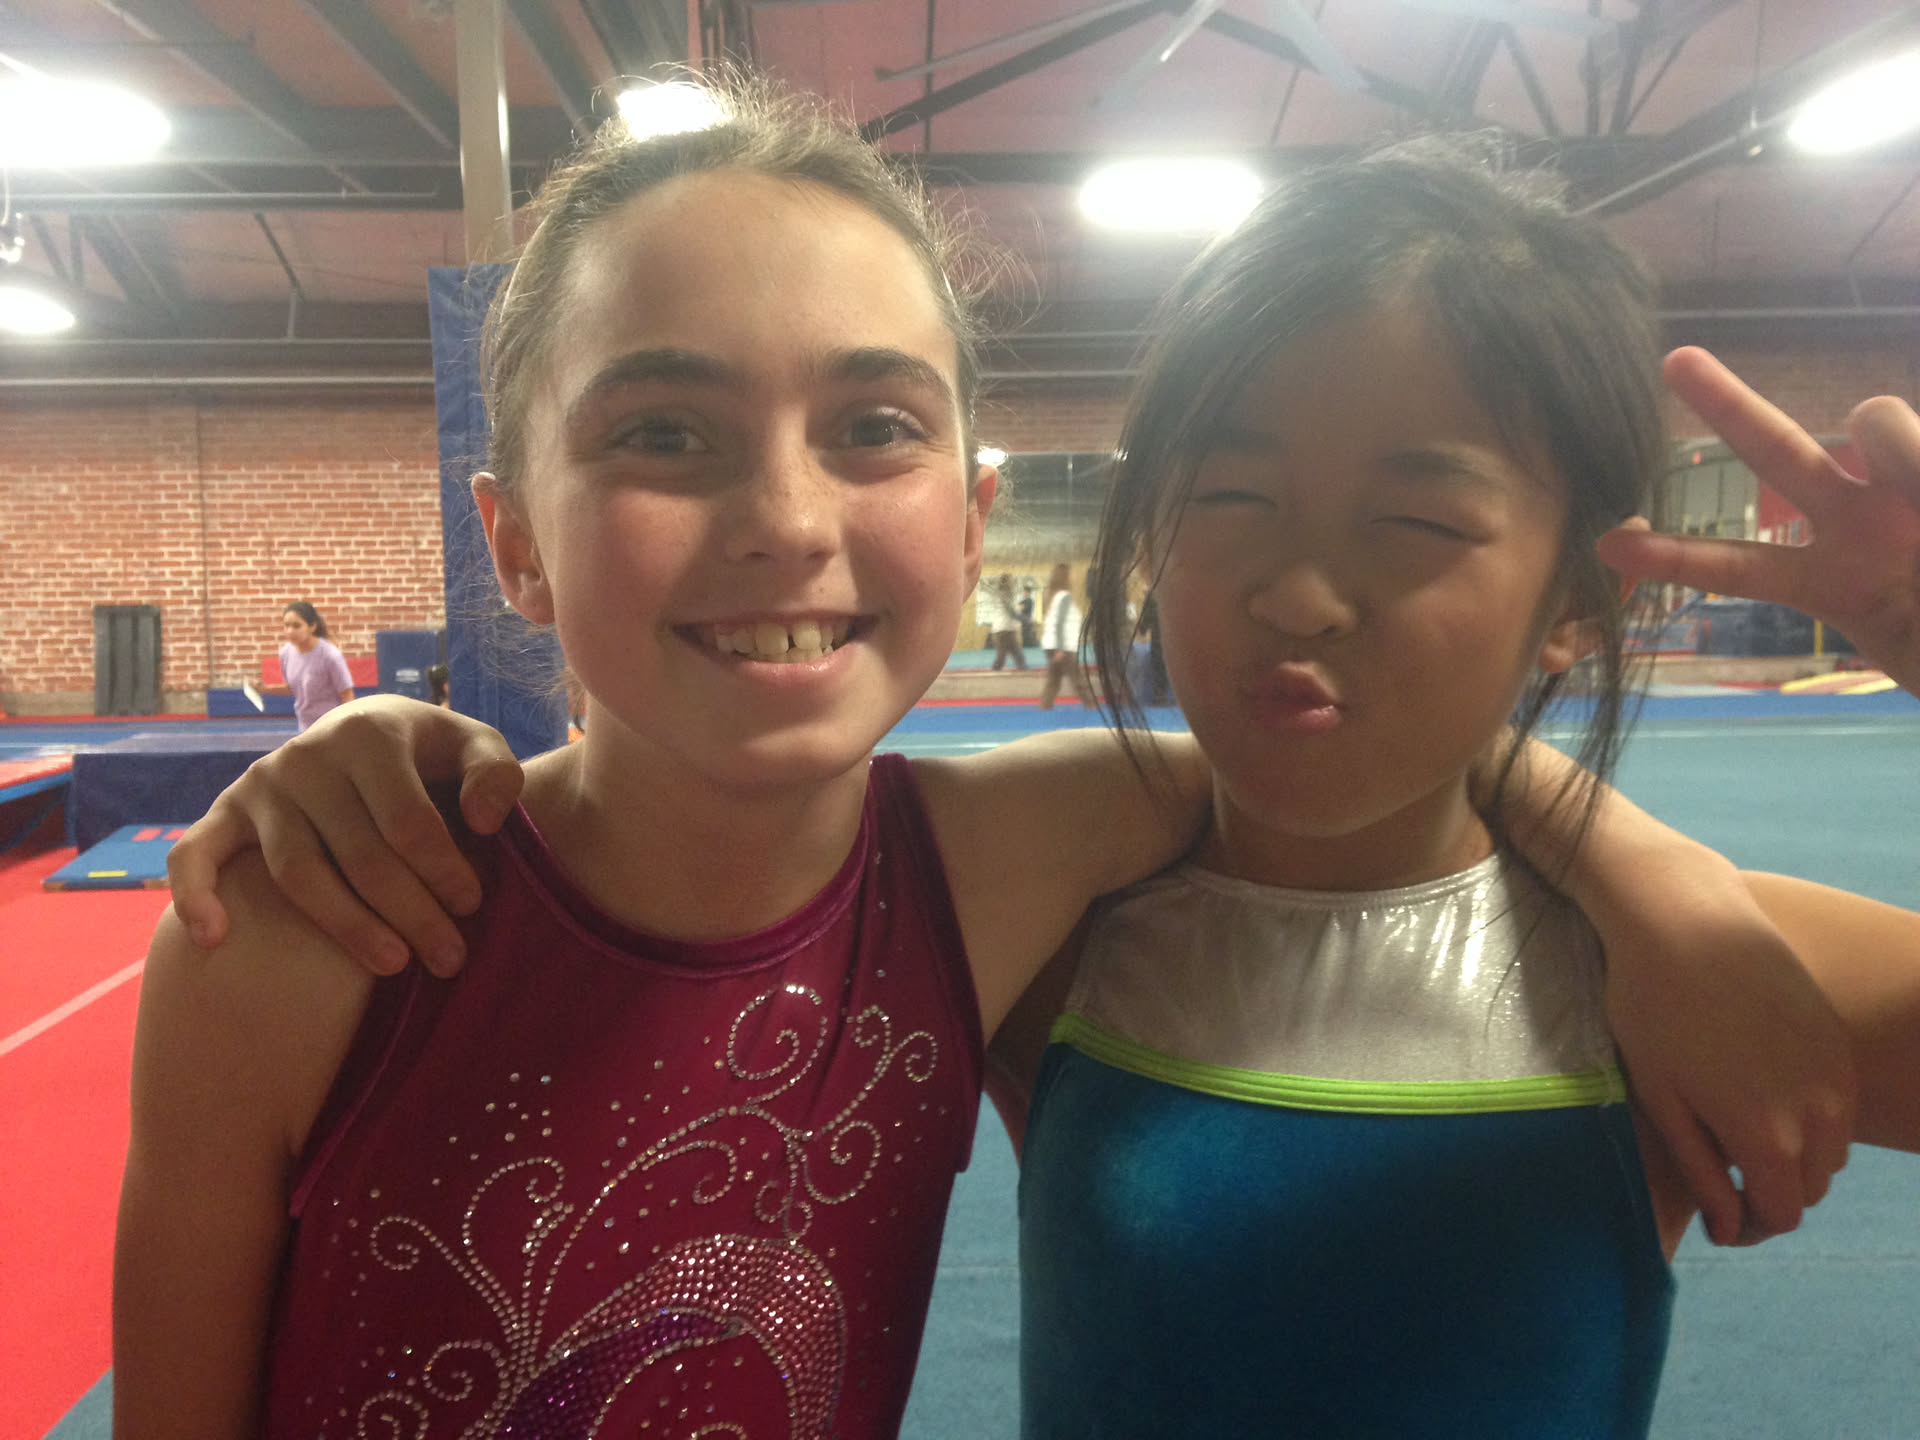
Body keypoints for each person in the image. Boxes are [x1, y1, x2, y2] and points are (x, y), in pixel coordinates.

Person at [132, 94, 1865, 1438]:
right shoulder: (310, 935)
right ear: (511, 540)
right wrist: (360, 735)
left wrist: (1662, 884)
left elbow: (1375, 775)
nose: (784, 516)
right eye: (665, 433)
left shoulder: (990, 864)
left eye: (872, 428)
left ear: (970, 524)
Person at [998, 137, 1920, 1437]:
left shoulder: (1701, 967)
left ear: (1578, 606)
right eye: (1233, 495)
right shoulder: (1038, 925)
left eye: (1420, 525)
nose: (1299, 595)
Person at [277, 600, 354, 732]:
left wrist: (347, 729)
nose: (290, 631)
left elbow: (347, 696)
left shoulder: (331, 656)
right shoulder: (285, 653)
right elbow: (292, 688)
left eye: (296, 626)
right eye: (286, 625)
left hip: (332, 728)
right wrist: (262, 688)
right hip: (305, 728)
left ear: (312, 627)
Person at [1037, 560, 1096, 710]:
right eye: (1071, 574)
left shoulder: (1053, 596)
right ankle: (1091, 706)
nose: (1073, 577)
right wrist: (1060, 649)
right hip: (1062, 646)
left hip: (1053, 644)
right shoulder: (1064, 597)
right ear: (1065, 577)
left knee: (1054, 681)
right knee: (1077, 679)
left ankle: (1044, 707)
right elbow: (1060, 623)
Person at [979, 572, 1028, 670]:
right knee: (1014, 655)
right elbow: (1011, 612)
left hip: (1003, 630)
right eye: (1012, 580)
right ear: (1007, 583)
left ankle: (999, 671)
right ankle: (1023, 671)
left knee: (1005, 656)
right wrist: (1025, 619)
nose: (1014, 582)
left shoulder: (1005, 594)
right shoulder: (1004, 595)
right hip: (1004, 630)